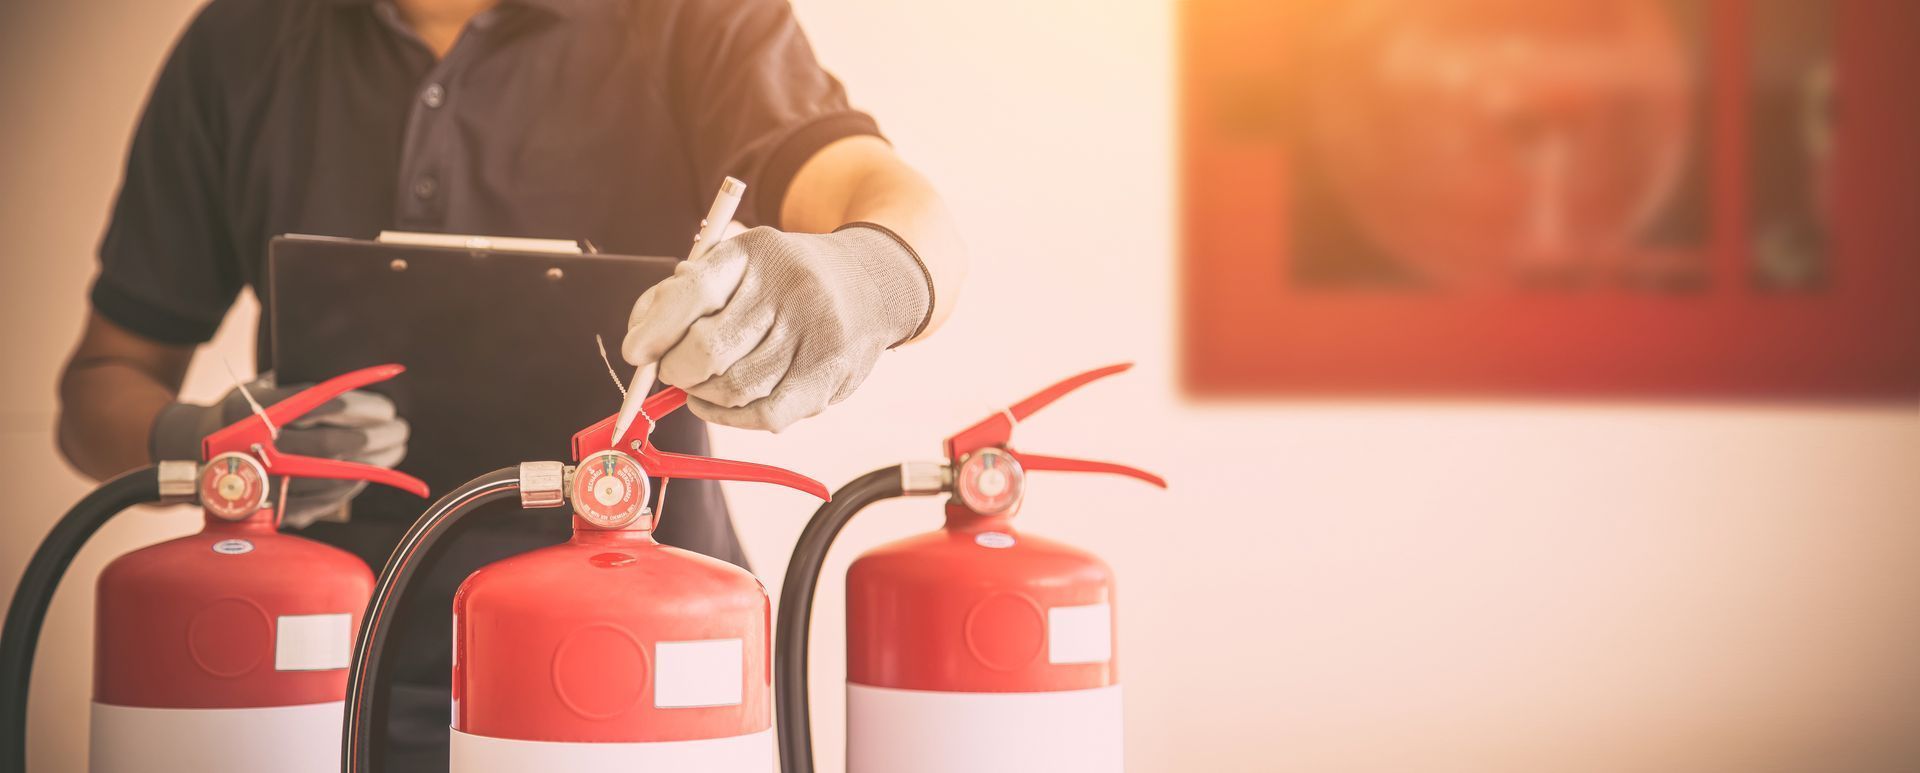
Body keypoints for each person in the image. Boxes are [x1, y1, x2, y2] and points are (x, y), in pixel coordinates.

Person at [54, 0, 964, 765]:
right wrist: (212, 445)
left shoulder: (686, 17)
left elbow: (907, 213)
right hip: (316, 685)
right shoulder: (243, 42)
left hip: (648, 681)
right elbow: (97, 390)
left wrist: (866, 277)